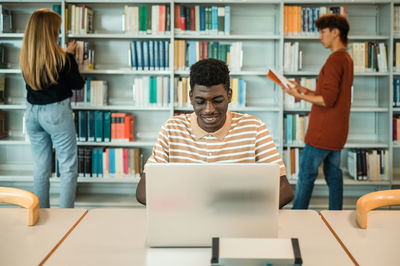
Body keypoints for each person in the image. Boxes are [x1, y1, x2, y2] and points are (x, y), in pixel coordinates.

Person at [136, 58, 294, 208]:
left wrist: (245, 212)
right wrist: (185, 209)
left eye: (217, 100)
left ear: (229, 95)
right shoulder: (171, 129)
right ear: (191, 97)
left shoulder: (254, 127)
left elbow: (285, 189)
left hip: (238, 222)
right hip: (185, 219)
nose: (209, 110)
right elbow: (143, 191)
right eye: (200, 101)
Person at [280, 14, 353, 210]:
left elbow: (326, 100)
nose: (320, 36)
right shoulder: (346, 58)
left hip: (321, 133)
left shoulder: (334, 60)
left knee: (306, 176)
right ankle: (335, 215)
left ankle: (298, 214)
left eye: (323, 32)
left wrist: (297, 95)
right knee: (334, 176)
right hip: (337, 133)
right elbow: (331, 95)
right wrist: (303, 89)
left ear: (335, 32)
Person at [20, 9, 85, 208]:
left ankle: (41, 213)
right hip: (56, 113)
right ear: (51, 32)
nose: (58, 33)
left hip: (32, 113)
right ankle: (65, 217)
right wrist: (72, 57)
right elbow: (77, 84)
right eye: (56, 29)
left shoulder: (26, 56)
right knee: (67, 167)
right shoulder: (63, 58)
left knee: (40, 168)